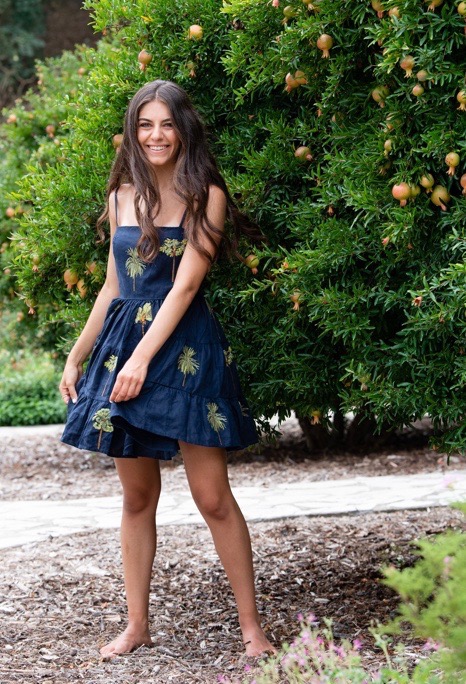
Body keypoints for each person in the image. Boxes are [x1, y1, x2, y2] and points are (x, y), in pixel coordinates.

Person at [59, 79, 275, 660]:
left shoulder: (207, 194)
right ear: (133, 131)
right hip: (123, 346)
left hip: (183, 351)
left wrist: (140, 359)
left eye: (167, 124)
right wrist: (79, 354)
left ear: (183, 130)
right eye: (146, 124)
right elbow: (111, 286)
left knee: (212, 497)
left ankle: (252, 629)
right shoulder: (121, 196)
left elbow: (184, 289)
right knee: (136, 497)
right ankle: (136, 626)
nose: (156, 135)